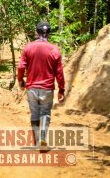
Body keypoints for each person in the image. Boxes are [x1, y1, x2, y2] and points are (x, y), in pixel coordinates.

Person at [17, 21, 65, 149]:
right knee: (45, 113)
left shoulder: (28, 47)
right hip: (47, 88)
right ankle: (43, 140)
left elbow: (21, 66)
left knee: (34, 113)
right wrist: (62, 89)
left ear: (37, 32)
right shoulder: (54, 49)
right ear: (49, 33)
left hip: (31, 87)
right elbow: (59, 73)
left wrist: (20, 80)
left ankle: (37, 141)